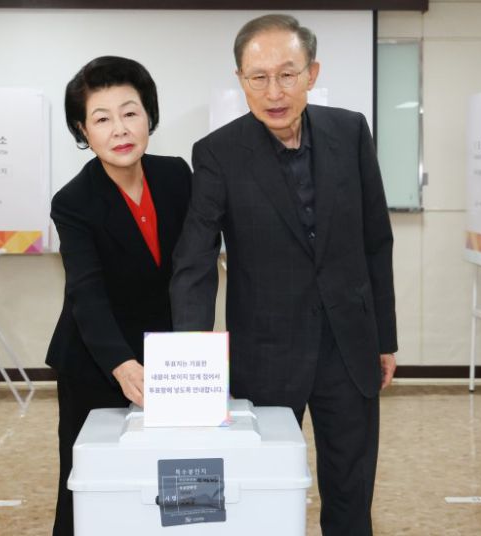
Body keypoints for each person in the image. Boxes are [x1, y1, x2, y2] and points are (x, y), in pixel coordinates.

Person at [170, 14, 397, 535]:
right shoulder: (217, 154)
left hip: (349, 345)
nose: (274, 91)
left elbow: (375, 241)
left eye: (288, 74)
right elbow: (195, 259)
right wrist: (190, 354)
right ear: (240, 79)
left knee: (351, 489)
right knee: (261, 490)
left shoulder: (350, 131)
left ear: (312, 73)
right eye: (258, 77)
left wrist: (384, 337)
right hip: (266, 351)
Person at [46, 56, 191, 536]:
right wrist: (122, 363)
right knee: (88, 484)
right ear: (83, 131)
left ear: (149, 115)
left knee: (172, 481)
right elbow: (86, 293)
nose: (120, 129)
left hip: (169, 360)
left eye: (130, 112)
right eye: (101, 118)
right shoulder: (73, 201)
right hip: (97, 362)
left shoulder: (177, 177)